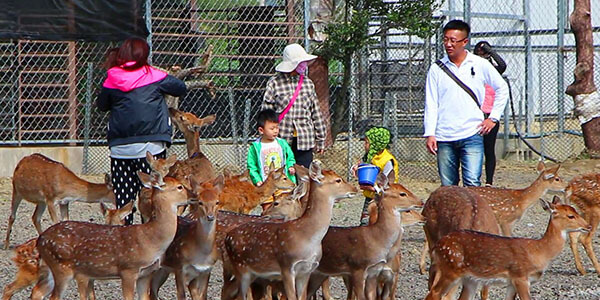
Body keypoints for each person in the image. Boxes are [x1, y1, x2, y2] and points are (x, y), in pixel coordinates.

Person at [96, 37, 187, 224]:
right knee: (153, 196)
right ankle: (152, 239)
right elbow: (180, 88)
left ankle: (126, 239)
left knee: (124, 199)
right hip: (151, 148)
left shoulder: (112, 78)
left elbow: (102, 105)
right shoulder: (153, 75)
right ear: (144, 55)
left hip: (121, 149)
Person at [423, 20, 509, 187]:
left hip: (472, 133)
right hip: (444, 135)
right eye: (446, 39)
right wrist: (430, 133)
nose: (448, 44)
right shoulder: (436, 68)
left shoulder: (479, 64)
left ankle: (473, 214)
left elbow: (502, 89)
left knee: (472, 184)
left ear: (465, 42)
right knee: (448, 186)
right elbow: (431, 102)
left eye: (453, 40)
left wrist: (493, 118)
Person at [262, 43, 327, 168]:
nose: (303, 65)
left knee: (304, 175)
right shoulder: (275, 83)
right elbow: (266, 112)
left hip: (304, 139)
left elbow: (316, 113)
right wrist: (266, 136)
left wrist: (320, 139)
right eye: (300, 62)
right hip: (282, 139)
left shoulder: (308, 84)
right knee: (282, 175)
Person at [247, 109, 297, 211]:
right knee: (268, 208)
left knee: (284, 205)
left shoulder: (282, 143)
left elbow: (290, 157)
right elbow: (251, 166)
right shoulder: (256, 147)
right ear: (261, 130)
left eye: (277, 127)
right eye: (272, 128)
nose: (275, 131)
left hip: (281, 182)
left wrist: (291, 165)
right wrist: (257, 180)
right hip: (266, 183)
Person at [474, 41, 507, 186]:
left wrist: (491, 52)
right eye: (479, 52)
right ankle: (474, 180)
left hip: (491, 115)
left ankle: (489, 182)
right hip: (475, 114)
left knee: (489, 150)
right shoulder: (472, 70)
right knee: (474, 150)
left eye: (484, 52)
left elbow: (502, 65)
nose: (482, 56)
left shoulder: (492, 71)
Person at [353, 126, 399, 226]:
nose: (364, 146)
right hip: (369, 197)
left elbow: (387, 184)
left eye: (366, 143)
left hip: (383, 199)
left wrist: (373, 188)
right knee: (365, 223)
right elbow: (363, 169)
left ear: (376, 144)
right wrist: (356, 170)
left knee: (380, 223)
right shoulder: (371, 156)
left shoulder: (387, 161)